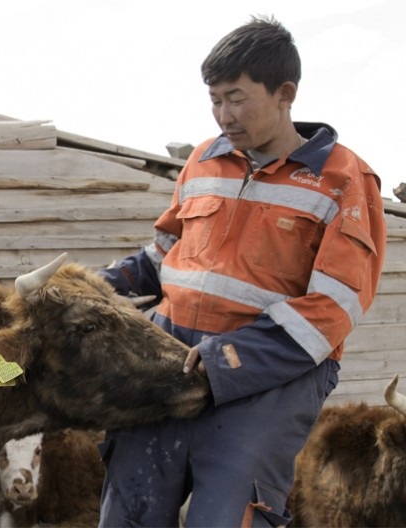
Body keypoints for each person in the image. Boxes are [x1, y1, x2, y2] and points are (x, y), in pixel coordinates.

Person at [97, 16, 386, 527]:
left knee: (226, 518)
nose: (222, 115)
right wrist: (101, 283)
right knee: (129, 511)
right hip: (173, 355)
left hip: (270, 376)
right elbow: (166, 255)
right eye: (213, 99)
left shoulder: (344, 180)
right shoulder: (203, 160)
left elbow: (333, 309)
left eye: (236, 98)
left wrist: (228, 359)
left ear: (285, 93)